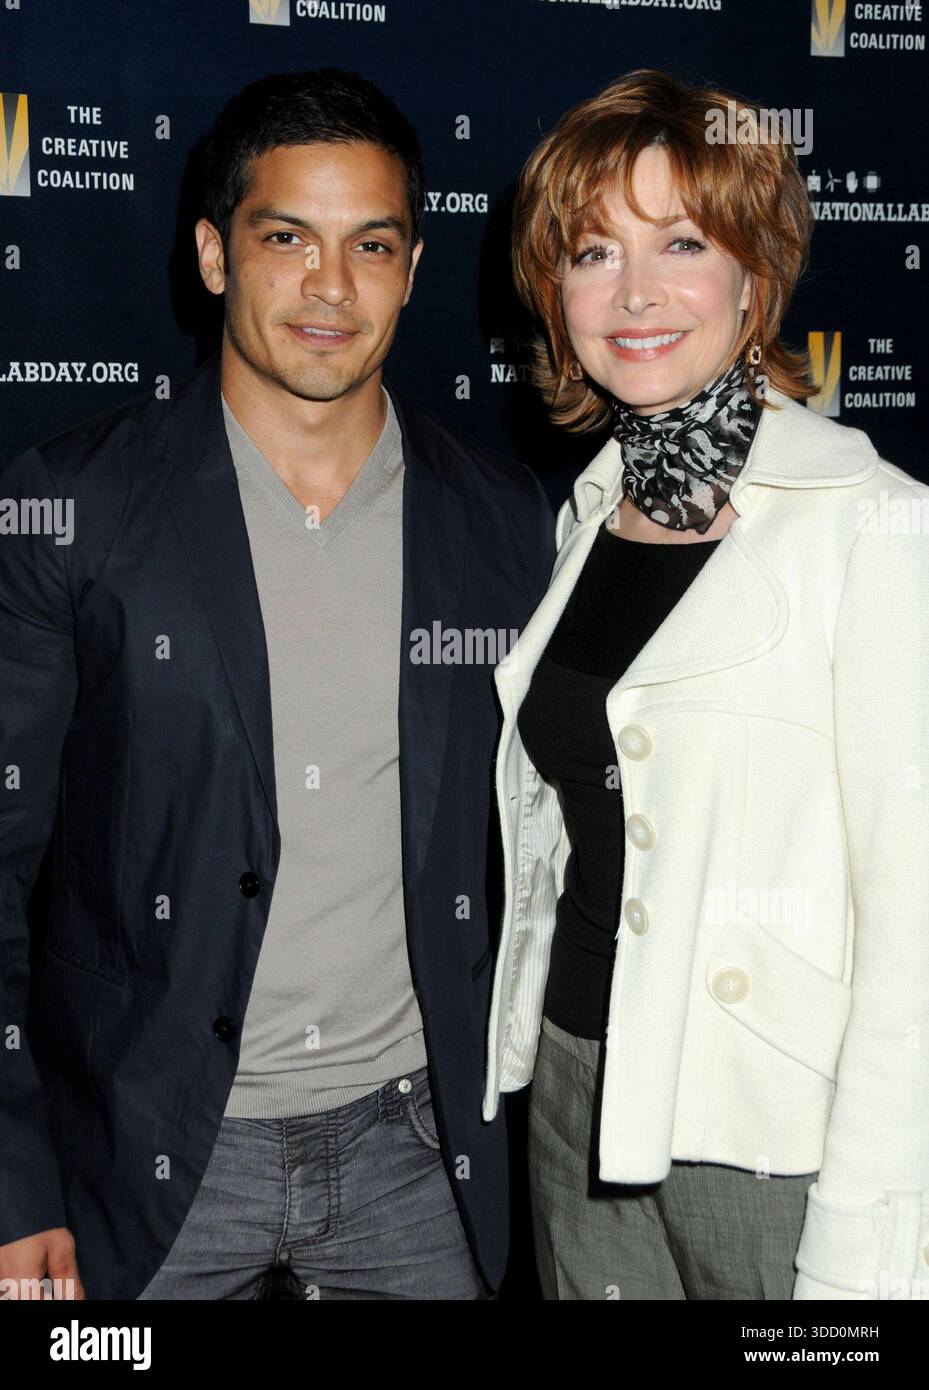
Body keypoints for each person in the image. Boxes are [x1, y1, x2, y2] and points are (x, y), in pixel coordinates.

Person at [0, 68, 554, 1301]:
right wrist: (13, 1178)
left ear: (410, 273)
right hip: (142, 1157)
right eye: (285, 237)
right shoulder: (72, 511)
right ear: (213, 255)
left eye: (371, 245)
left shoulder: (507, 525)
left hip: (416, 1158)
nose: (328, 286)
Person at [481, 68, 929, 1300]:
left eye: (681, 242)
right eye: (590, 252)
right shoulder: (586, 517)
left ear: (755, 273)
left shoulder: (873, 530)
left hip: (772, 1137)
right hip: (576, 1095)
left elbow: (917, 935)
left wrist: (871, 1237)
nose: (631, 294)